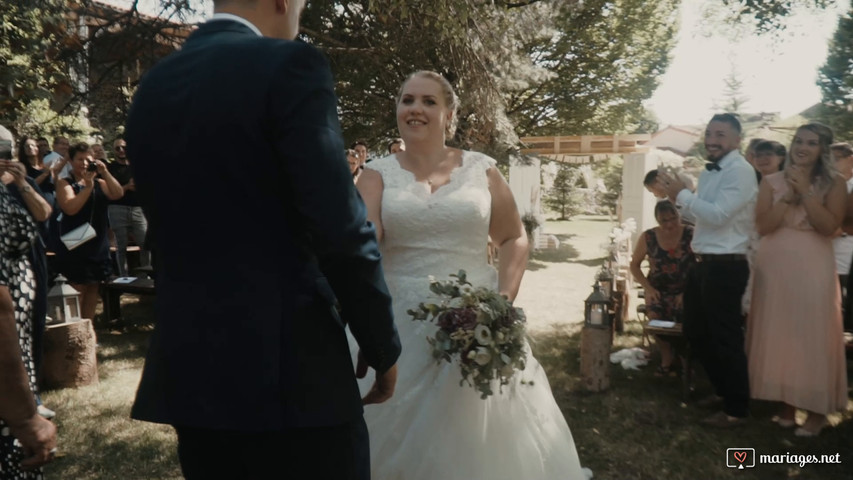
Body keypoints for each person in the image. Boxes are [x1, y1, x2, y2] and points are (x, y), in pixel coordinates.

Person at [124, 1, 401, 479]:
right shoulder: (290, 64)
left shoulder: (155, 84)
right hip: (292, 374)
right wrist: (381, 345)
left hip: (194, 373)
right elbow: (339, 228)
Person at [352, 70, 586, 479]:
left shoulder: (482, 170)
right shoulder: (376, 173)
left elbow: (513, 237)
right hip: (397, 322)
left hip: (475, 319)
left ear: (449, 113)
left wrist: (500, 305)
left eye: (428, 101)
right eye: (407, 100)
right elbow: (364, 239)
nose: (415, 109)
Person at [747, 123, 848, 437]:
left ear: (823, 149)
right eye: (798, 141)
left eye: (812, 143)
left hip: (813, 263)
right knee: (780, 335)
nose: (802, 147)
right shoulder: (771, 181)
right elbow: (763, 226)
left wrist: (805, 191)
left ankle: (817, 411)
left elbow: (829, 227)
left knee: (812, 335)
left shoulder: (836, 183)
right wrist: (788, 196)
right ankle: (786, 406)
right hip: (774, 265)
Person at [660, 113, 757, 428]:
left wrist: (682, 195)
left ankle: (736, 409)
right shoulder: (711, 171)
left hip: (727, 266)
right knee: (697, 333)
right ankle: (722, 390)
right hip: (703, 264)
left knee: (725, 337)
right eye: (710, 133)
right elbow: (699, 215)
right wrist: (679, 198)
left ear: (737, 140)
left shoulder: (741, 172)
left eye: (721, 135)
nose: (712, 140)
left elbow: (717, 216)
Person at [0, 125, 58, 478]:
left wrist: (21, 182)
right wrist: (23, 418)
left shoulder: (18, 185)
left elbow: (43, 214)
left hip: (28, 289)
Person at [55, 142, 124, 321]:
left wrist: (105, 173)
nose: (84, 163)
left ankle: (88, 329)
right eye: (80, 159)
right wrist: (87, 187)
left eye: (88, 159)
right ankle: (73, 330)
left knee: (93, 287)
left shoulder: (100, 182)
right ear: (71, 160)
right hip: (76, 243)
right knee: (78, 288)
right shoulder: (65, 183)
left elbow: (117, 194)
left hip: (97, 243)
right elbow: (70, 208)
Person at [629, 200, 694, 376]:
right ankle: (667, 358)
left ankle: (684, 359)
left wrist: (688, 292)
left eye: (674, 218)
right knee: (657, 320)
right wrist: (648, 288)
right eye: (664, 220)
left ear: (679, 215)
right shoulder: (648, 237)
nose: (670, 224)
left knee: (686, 319)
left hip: (685, 290)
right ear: (657, 221)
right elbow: (634, 265)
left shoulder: (691, 234)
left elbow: (702, 265)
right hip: (658, 290)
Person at [106, 138, 151, 277]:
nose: (121, 150)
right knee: (121, 247)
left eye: (124, 147)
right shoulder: (110, 168)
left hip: (138, 209)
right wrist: (126, 187)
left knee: (145, 244)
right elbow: (109, 191)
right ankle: (123, 278)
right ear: (114, 151)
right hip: (117, 208)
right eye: (117, 148)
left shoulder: (138, 166)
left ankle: (145, 278)